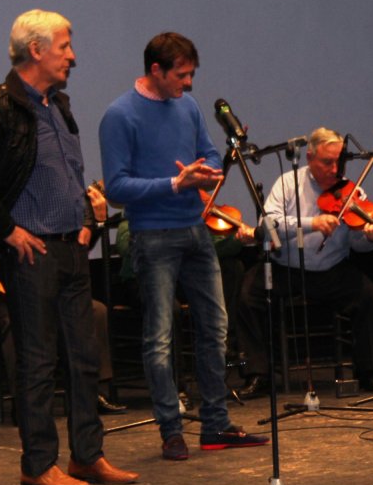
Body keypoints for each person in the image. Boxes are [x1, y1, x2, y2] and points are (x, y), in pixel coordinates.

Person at [0, 9, 137, 485]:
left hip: (70, 247)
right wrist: (8, 230)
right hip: (31, 255)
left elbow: (64, 174)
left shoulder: (58, 104)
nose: (72, 56)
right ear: (36, 50)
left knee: (83, 357)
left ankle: (87, 456)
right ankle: (37, 465)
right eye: (64, 46)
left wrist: (87, 216)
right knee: (36, 360)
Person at [98, 32, 267, 461]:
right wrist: (175, 182)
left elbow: (209, 154)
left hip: (195, 230)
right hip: (152, 237)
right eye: (181, 74)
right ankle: (171, 430)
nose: (188, 84)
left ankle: (215, 426)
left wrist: (206, 172)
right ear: (155, 70)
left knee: (216, 328)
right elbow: (116, 187)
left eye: (191, 74)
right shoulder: (119, 115)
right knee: (159, 338)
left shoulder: (188, 107)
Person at [233, 127, 373, 398]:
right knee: (248, 294)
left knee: (369, 294)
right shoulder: (287, 183)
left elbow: (358, 245)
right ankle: (258, 374)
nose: (333, 169)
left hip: (331, 269)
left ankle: (368, 371)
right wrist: (312, 223)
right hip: (287, 266)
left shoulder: (353, 193)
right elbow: (267, 223)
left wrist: (371, 237)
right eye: (326, 162)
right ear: (309, 157)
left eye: (338, 162)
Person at [0, 184, 125, 415]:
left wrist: (96, 222)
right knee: (15, 318)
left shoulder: (49, 219)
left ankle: (92, 391)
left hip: (41, 286)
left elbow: (77, 250)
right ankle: (24, 399)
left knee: (95, 310)